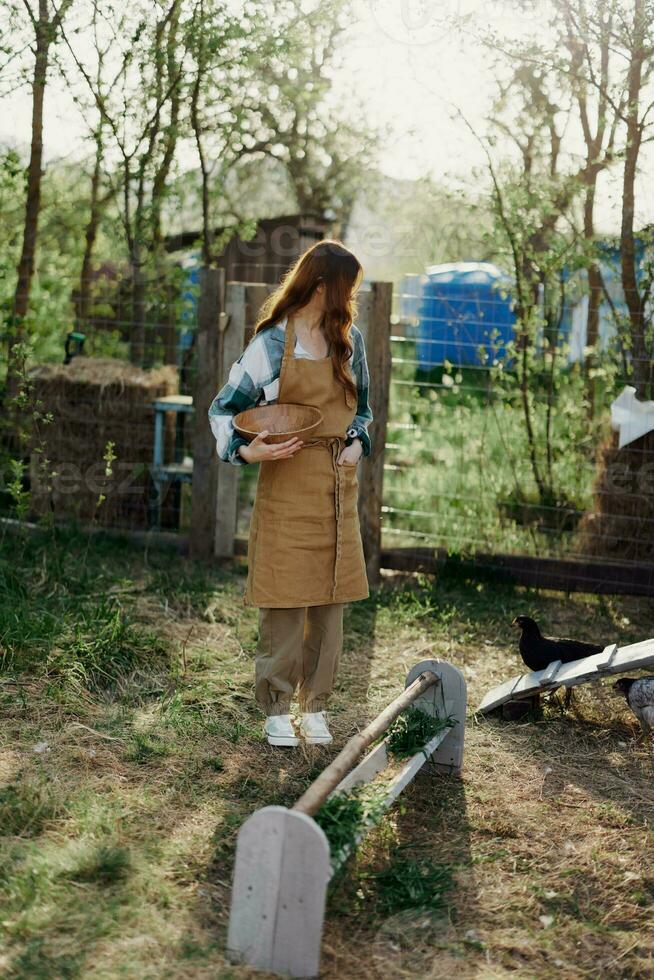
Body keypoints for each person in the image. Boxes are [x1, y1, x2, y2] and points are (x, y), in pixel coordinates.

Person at [208, 240, 372, 747]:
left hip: (336, 483)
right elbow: (222, 410)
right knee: (284, 596)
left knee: (330, 596)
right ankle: (278, 707)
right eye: (347, 288)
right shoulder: (270, 346)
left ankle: (315, 706)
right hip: (286, 480)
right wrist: (246, 451)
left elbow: (363, 410)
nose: (351, 299)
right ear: (320, 285)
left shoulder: (350, 342)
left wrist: (357, 445)